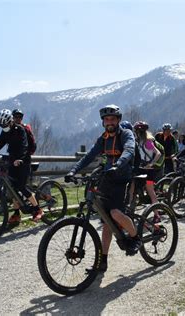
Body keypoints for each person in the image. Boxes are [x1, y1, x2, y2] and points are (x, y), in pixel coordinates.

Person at [65, 104, 141, 273]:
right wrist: (73, 171)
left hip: (123, 179)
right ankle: (103, 261)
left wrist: (119, 164)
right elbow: (89, 156)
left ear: (118, 120)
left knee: (115, 213)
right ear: (103, 122)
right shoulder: (104, 138)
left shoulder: (126, 134)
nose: (109, 122)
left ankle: (135, 237)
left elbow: (129, 150)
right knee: (107, 221)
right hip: (108, 179)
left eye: (112, 119)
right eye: (106, 120)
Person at [0, 109, 43, 223]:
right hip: (13, 161)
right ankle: (16, 214)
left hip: (24, 161)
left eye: (5, 124)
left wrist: (20, 159)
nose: (3, 127)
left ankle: (38, 209)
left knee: (21, 187)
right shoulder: (5, 132)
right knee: (13, 189)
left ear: (10, 121)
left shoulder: (20, 129)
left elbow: (24, 146)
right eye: (1, 125)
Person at [132, 121, 163, 222]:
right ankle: (130, 213)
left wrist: (152, 163)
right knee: (133, 190)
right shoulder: (139, 141)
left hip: (148, 170)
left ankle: (157, 215)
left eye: (137, 130)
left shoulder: (147, 142)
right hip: (142, 169)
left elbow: (157, 153)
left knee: (150, 192)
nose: (137, 132)